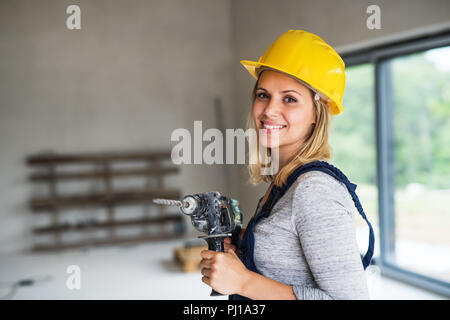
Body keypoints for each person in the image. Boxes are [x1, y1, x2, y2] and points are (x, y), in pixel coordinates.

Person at [199, 30, 372, 300]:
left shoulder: (314, 191)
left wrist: (243, 282)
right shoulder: (283, 182)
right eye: (263, 95)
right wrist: (244, 250)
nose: (269, 110)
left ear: (317, 113)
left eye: (289, 99)